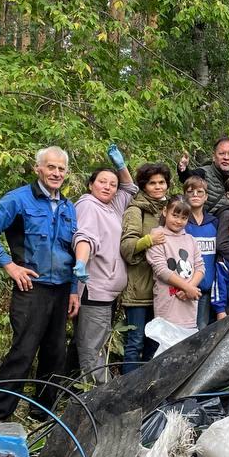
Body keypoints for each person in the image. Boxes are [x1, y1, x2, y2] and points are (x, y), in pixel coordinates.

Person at [0, 146, 79, 422]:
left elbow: (73, 251)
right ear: (38, 169)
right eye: (51, 167)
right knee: (23, 351)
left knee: (55, 354)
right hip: (32, 289)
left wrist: (74, 290)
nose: (56, 173)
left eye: (61, 169)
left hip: (61, 289)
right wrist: (9, 265)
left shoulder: (68, 207)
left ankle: (41, 413)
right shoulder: (19, 200)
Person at [69, 146, 136, 384]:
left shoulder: (111, 207)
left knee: (91, 341)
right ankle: (96, 395)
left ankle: (75, 386)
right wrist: (81, 262)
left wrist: (121, 165)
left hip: (107, 292)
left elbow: (131, 188)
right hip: (94, 289)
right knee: (92, 348)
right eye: (102, 182)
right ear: (90, 185)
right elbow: (85, 237)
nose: (108, 187)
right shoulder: (88, 205)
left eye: (112, 184)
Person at [119, 162, 172, 371]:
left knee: (156, 342)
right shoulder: (135, 210)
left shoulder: (170, 209)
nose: (158, 187)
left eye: (162, 182)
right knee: (135, 342)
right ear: (143, 185)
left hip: (163, 290)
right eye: (152, 183)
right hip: (139, 288)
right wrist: (149, 239)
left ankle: (150, 393)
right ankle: (127, 395)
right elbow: (126, 247)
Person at [147, 195, 205, 330]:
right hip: (167, 304)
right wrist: (187, 287)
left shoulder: (191, 240)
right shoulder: (157, 236)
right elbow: (161, 270)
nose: (179, 221)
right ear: (165, 212)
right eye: (175, 215)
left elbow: (200, 267)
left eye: (184, 218)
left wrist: (190, 288)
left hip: (188, 304)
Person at [183, 176, 218, 327]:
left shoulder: (214, 222)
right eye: (191, 192)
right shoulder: (181, 223)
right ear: (185, 195)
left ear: (206, 196)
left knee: (204, 328)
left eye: (200, 192)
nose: (195, 195)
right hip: (185, 287)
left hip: (209, 287)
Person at [178, 136, 229, 214]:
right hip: (205, 224)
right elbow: (187, 178)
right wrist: (183, 168)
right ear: (213, 156)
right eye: (221, 154)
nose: (226, 158)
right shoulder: (203, 173)